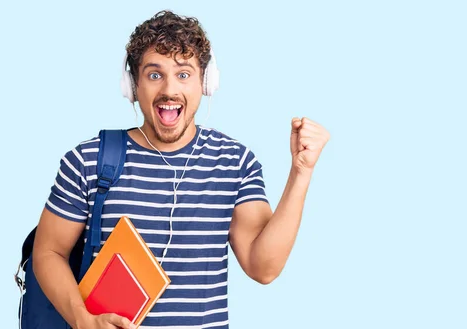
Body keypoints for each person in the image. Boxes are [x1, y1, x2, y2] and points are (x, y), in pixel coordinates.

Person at [31, 9, 330, 329]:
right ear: (132, 85)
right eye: (154, 74)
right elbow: (48, 252)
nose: (169, 91)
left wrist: (301, 172)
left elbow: (263, 268)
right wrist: (83, 321)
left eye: (184, 74)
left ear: (206, 82)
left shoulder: (234, 162)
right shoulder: (88, 160)